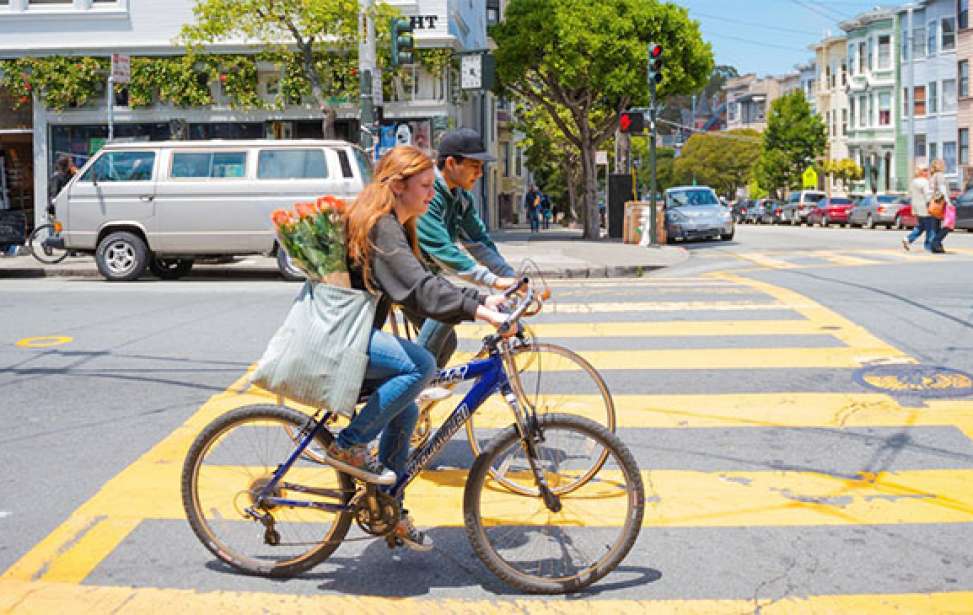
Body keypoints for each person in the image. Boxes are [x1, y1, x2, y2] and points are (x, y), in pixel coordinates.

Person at [326, 145, 511, 552]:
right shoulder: (381, 226)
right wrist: (478, 309)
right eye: (425, 185)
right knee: (421, 365)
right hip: (341, 339)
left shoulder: (397, 225)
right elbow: (420, 289)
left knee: (406, 405)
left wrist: (479, 301)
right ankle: (350, 444)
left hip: (352, 334)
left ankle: (387, 508)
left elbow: (420, 289)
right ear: (398, 185)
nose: (432, 193)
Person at [412, 128, 518, 368]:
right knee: (447, 307)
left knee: (446, 343)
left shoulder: (460, 198)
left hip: (426, 277)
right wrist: (491, 280)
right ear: (451, 163)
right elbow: (442, 249)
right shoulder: (429, 194)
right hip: (404, 276)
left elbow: (479, 242)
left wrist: (510, 278)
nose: (480, 173)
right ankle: (410, 387)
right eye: (474, 166)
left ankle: (417, 390)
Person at [903, 164, 935, 252]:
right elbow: (927, 195)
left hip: (916, 208)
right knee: (930, 228)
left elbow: (910, 195)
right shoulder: (925, 182)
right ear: (922, 172)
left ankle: (908, 239)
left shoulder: (913, 182)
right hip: (925, 208)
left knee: (920, 227)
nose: (927, 172)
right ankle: (928, 246)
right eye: (926, 170)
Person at [928, 158, 951, 254]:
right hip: (941, 203)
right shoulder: (940, 175)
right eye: (943, 164)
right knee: (949, 225)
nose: (944, 165)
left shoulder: (932, 176)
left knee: (935, 227)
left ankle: (937, 246)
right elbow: (942, 189)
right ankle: (935, 242)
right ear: (939, 166)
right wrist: (948, 201)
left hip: (934, 204)